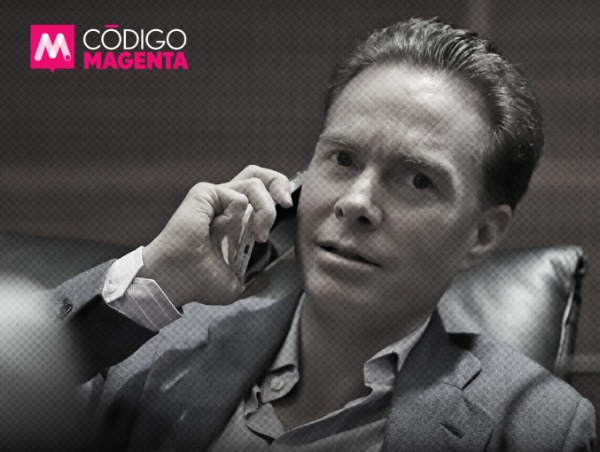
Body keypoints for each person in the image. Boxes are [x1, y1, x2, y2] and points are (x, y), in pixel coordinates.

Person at [48, 18, 595, 450]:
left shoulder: (539, 426)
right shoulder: (150, 342)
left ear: (481, 235)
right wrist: (160, 275)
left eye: (417, 180)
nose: (356, 202)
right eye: (342, 159)